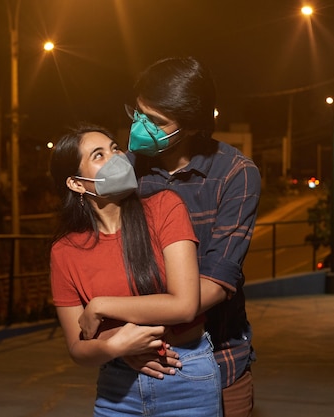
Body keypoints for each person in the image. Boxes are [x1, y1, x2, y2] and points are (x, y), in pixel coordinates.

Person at [49, 123, 223, 417]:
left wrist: (101, 306)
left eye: (115, 148)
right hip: (117, 387)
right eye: (99, 155)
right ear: (76, 183)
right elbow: (77, 349)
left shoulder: (165, 208)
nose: (115, 157)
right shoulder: (64, 251)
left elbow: (184, 306)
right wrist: (118, 348)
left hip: (185, 373)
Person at [126, 56, 262, 417]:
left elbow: (217, 283)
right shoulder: (124, 171)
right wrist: (120, 343)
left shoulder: (236, 174)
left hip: (219, 363)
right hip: (132, 363)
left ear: (189, 126)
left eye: (154, 121)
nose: (140, 127)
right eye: (138, 114)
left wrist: (131, 326)